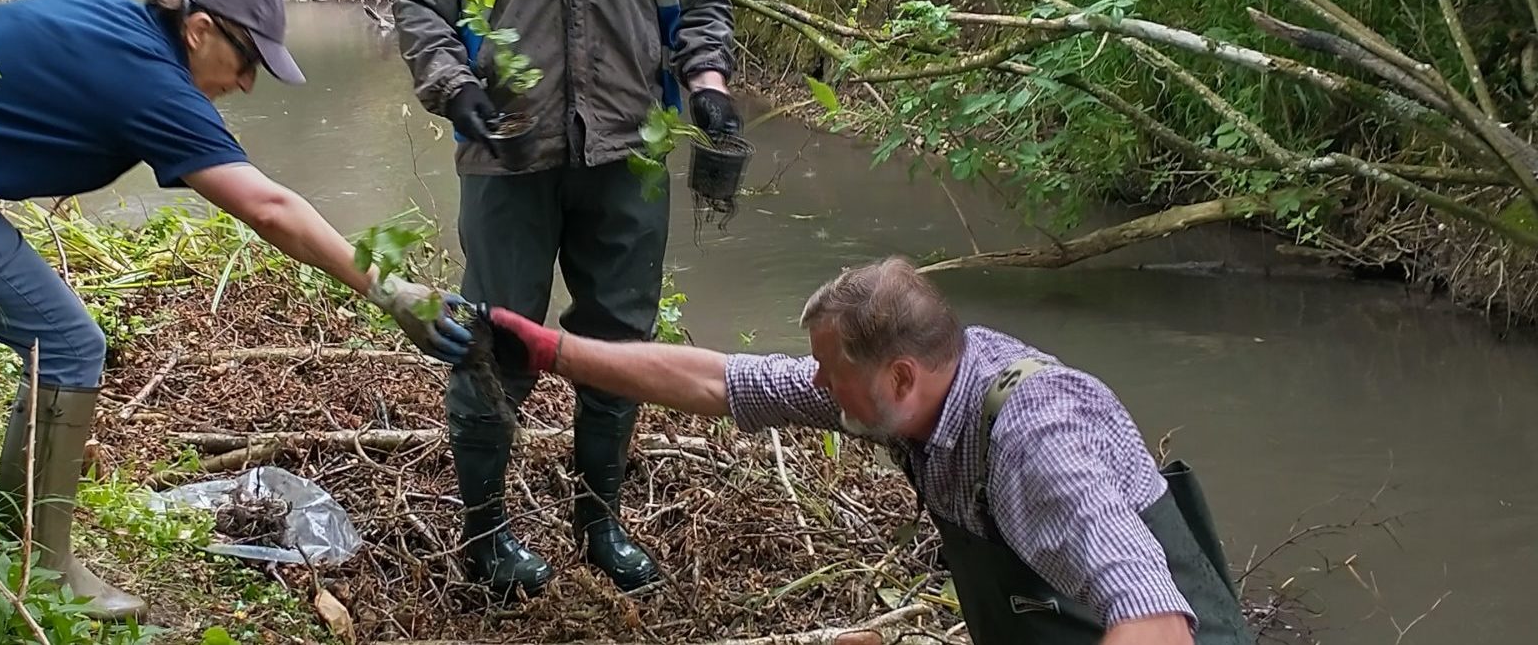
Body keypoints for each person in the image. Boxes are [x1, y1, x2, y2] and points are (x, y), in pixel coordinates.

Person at [0, 0, 471, 620]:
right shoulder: (150, 81)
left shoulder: (118, 22)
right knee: (68, 346)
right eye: (245, 63)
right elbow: (269, 209)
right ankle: (42, 569)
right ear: (199, 28)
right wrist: (392, 291)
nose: (244, 84)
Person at [393, 0, 739, 596]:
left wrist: (710, 91)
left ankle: (600, 525)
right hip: (505, 153)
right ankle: (486, 537)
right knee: (493, 343)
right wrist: (452, 84)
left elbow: (704, 1)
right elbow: (419, 0)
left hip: (626, 152)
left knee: (618, 341)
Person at [480, 257, 1254, 645]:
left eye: (828, 373)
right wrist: (551, 350)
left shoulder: (1036, 439)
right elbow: (720, 381)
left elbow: (1154, 619)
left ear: (900, 374)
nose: (816, 386)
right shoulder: (908, 390)